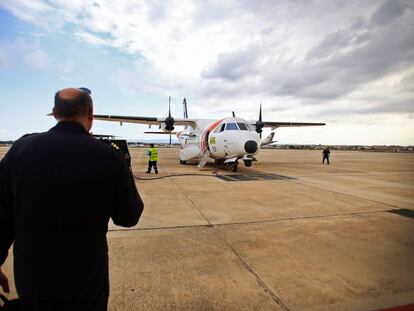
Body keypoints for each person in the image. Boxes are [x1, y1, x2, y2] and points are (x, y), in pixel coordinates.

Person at [0, 87, 144, 310]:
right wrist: (122, 170)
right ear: (90, 113)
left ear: (55, 112)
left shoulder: (20, 149)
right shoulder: (108, 155)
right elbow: (129, 217)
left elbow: (1, 215)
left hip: (32, 278)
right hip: (86, 280)